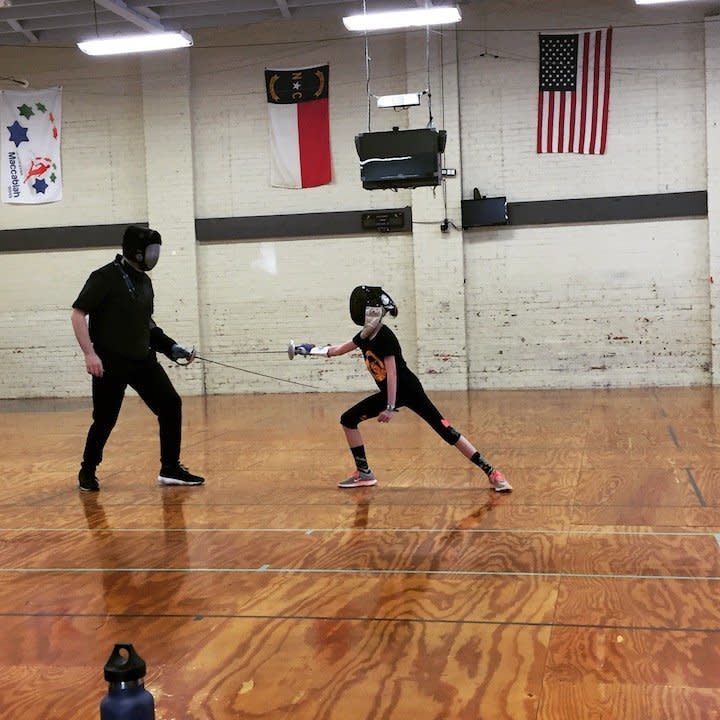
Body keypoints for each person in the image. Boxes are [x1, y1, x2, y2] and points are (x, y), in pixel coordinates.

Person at [294, 285, 511, 492]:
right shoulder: (364, 336)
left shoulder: (385, 335)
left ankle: (493, 473)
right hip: (390, 394)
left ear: (372, 310)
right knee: (348, 420)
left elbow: (393, 373)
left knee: (446, 430)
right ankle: (364, 474)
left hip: (408, 390)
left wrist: (389, 407)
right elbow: (338, 350)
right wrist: (309, 350)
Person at [70, 225, 205, 492]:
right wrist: (90, 354)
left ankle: (170, 468)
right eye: (151, 251)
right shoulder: (104, 277)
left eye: (157, 250)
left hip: (143, 359)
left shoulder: (145, 282)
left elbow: (148, 324)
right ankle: (87, 470)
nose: (155, 256)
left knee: (170, 404)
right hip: (110, 362)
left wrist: (170, 347)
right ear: (135, 251)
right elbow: (77, 314)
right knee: (105, 419)